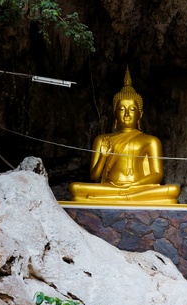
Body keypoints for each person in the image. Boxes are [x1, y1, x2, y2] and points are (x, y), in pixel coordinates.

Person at [69, 67, 180, 204]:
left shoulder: (151, 141)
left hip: (138, 187)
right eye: (121, 109)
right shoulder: (102, 140)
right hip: (110, 187)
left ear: (140, 114)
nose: (127, 115)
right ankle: (124, 196)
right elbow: (94, 176)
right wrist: (103, 157)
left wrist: (134, 186)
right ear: (114, 113)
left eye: (132, 110)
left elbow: (157, 175)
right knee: (75, 188)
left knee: (173, 190)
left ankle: (124, 196)